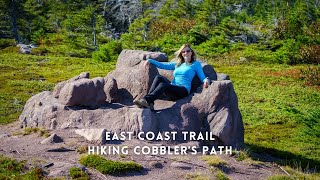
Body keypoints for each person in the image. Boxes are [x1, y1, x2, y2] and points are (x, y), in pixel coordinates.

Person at [134, 43, 209, 110]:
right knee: (158, 77)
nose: (186, 53)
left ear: (191, 52)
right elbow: (163, 65)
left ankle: (146, 100)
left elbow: (202, 77)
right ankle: (150, 103)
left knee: (163, 85)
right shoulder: (178, 64)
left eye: (188, 51)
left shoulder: (195, 64)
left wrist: (206, 80)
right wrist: (150, 60)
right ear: (181, 54)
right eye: (183, 51)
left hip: (183, 90)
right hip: (173, 87)